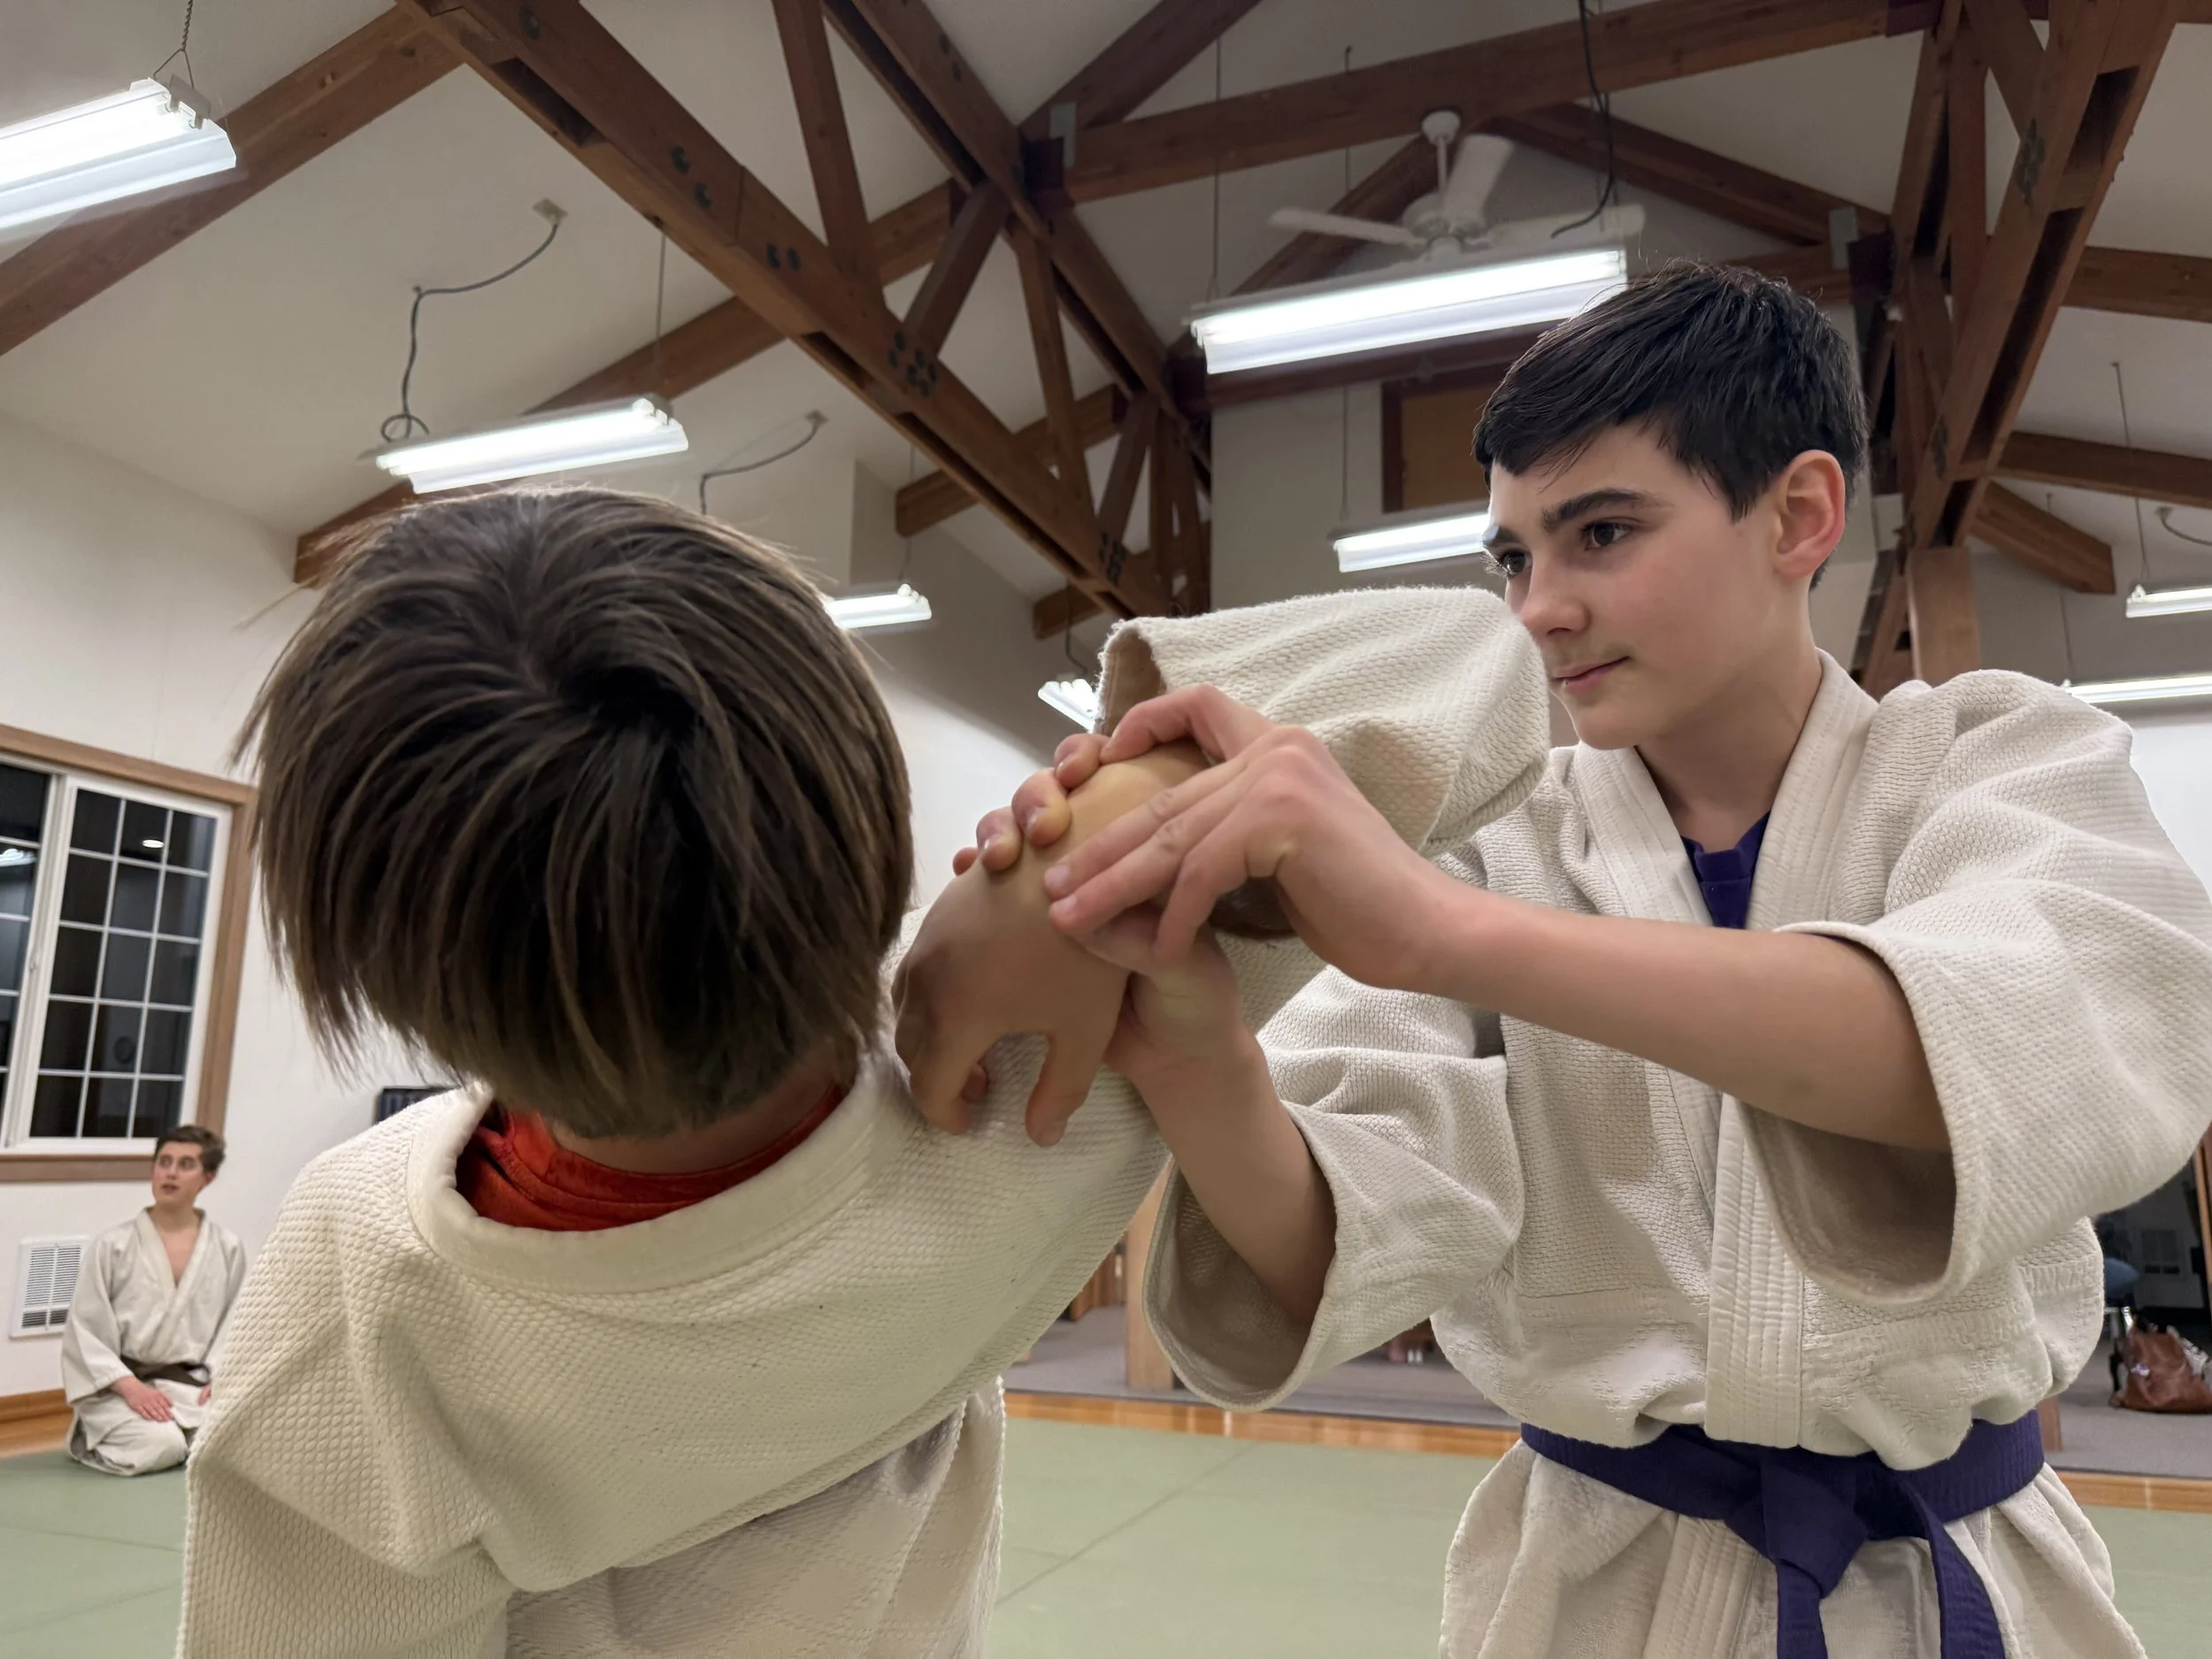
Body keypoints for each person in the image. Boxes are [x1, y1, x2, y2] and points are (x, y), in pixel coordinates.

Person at [917, 265, 2212, 1655]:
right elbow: (1342, 1228)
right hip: (1594, 1586)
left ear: (1798, 514)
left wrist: (1440, 932)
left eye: (1601, 531)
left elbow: (2004, 1046)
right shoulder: (1494, 844)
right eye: (1516, 558)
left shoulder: (2001, 760)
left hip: (1958, 1580)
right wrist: (1199, 1060)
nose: (1538, 606)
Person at [176, 487, 1549, 1655]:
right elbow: (1486, 657)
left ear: (377, 966)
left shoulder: (359, 1299)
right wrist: (1105, 840)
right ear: (873, 818)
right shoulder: (1045, 1071)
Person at [59, 1125, 246, 1476]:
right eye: (164, 1162)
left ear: (207, 1178)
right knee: (163, 1444)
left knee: (240, 1440)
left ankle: (181, 1436)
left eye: (186, 1164)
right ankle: (92, 1438)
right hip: (120, 1387)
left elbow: (235, 1323)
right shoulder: (114, 1245)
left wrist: (222, 1378)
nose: (171, 1173)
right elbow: (85, 1329)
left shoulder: (227, 1248)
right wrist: (129, 1387)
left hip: (188, 1386)